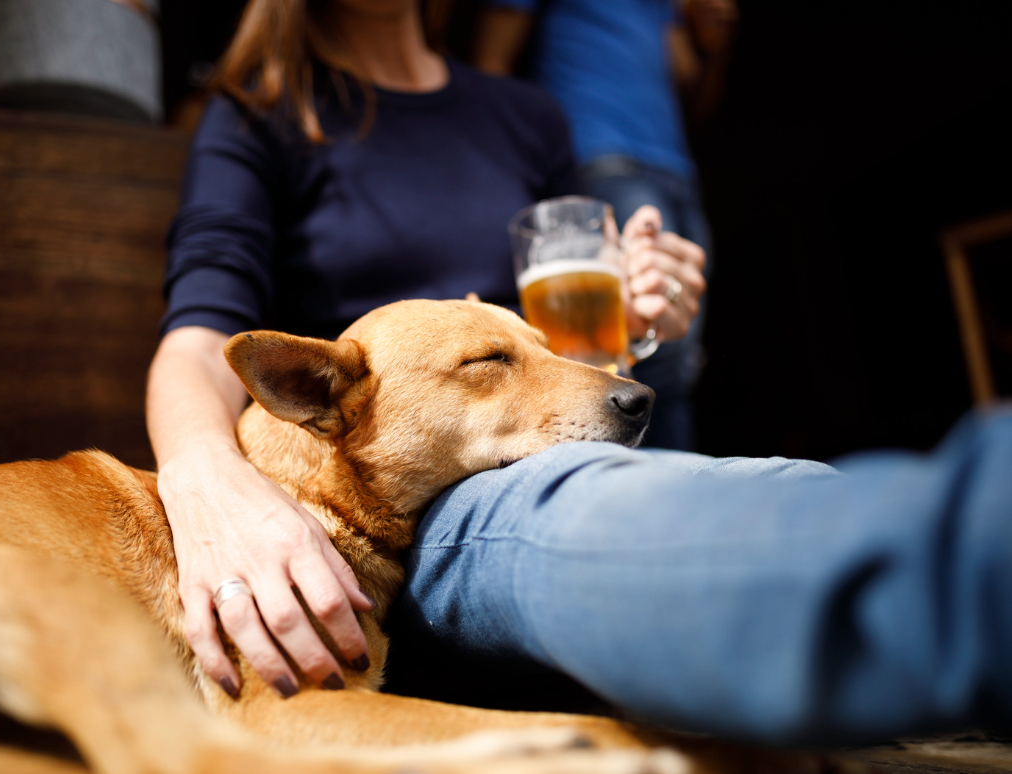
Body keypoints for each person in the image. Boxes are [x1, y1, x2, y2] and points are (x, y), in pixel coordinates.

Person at [148, 0, 705, 702]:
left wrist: (635, 317)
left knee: (685, 494)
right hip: (397, 487)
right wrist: (206, 484)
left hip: (539, 442)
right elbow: (202, 340)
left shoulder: (525, 113)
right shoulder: (259, 113)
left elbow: (561, 346)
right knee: (654, 518)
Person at [383, 406, 1012, 745]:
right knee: (594, 513)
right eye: (491, 359)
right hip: (424, 493)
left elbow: (644, 397)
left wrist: (662, 336)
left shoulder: (581, 185)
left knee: (774, 483)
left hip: (576, 438)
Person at [474, 0, 740, 451]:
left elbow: (690, 89)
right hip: (597, 155)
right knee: (644, 345)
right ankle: (655, 469)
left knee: (679, 339)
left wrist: (714, 43)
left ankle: (668, 466)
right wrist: (509, 176)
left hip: (675, 167)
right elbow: (491, 63)